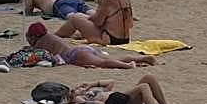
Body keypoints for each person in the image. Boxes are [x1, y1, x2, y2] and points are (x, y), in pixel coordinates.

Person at [25, 22, 158, 68]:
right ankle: (142, 59)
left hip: (74, 55)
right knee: (110, 59)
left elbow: (36, 55)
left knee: (103, 63)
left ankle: (128, 66)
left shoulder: (41, 42)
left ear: (34, 36)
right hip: (80, 50)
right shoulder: (51, 37)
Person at [56, 0, 133, 45]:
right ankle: (71, 33)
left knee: (75, 18)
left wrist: (100, 6)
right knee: (83, 18)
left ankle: (56, 35)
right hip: (125, 39)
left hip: (110, 38)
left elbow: (98, 22)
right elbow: (130, 24)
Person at [63, 75, 181, 104]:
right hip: (115, 102)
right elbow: (81, 102)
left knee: (149, 77)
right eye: (74, 90)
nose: (78, 89)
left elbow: (111, 82)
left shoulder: (94, 92)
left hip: (119, 98)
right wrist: (92, 102)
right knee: (143, 86)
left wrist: (91, 84)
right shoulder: (80, 98)